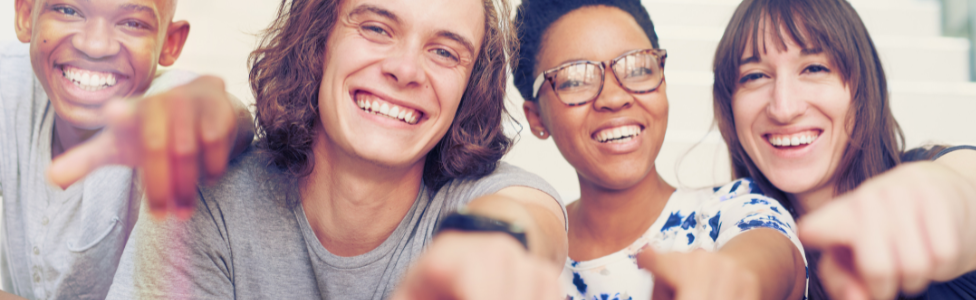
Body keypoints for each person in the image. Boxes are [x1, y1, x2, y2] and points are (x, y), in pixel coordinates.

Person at [105, 0, 568, 298]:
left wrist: (502, 248)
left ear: (469, 88)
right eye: (376, 28)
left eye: (445, 52)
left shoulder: (490, 196)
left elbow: (530, 221)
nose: (406, 69)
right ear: (318, 40)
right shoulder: (209, 201)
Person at [512, 0, 806, 299]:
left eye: (637, 68)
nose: (614, 98)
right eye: (575, 79)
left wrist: (734, 279)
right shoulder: (513, 263)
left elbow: (767, 258)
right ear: (535, 116)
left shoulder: (735, 207)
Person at [710, 0, 976, 298]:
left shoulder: (948, 166)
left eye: (814, 68)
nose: (783, 109)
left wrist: (939, 203)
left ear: (862, 88)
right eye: (755, 75)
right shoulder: (736, 238)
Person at [1, 0, 255, 299]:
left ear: (170, 43)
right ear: (26, 14)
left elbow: (215, 111)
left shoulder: (159, 107)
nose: (95, 45)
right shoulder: (9, 81)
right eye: (68, 10)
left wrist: (214, 118)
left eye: (132, 23)